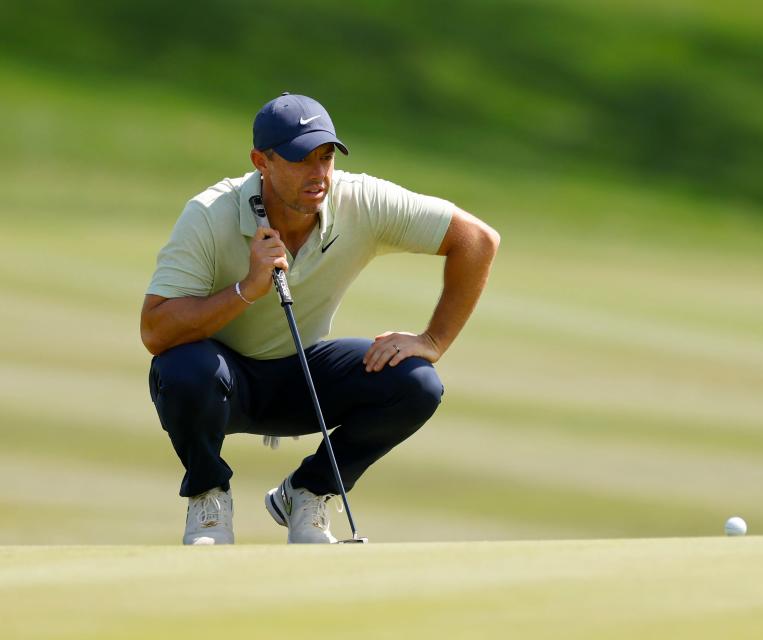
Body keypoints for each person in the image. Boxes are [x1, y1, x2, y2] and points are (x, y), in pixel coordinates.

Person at [140, 93, 499, 545]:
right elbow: (155, 330)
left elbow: (477, 240)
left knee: (416, 383)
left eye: (326, 157)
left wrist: (434, 339)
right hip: (224, 382)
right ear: (261, 161)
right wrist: (246, 290)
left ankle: (308, 492)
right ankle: (209, 499)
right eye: (299, 159)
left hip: (303, 377)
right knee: (182, 368)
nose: (318, 174)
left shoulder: (360, 201)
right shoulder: (209, 214)